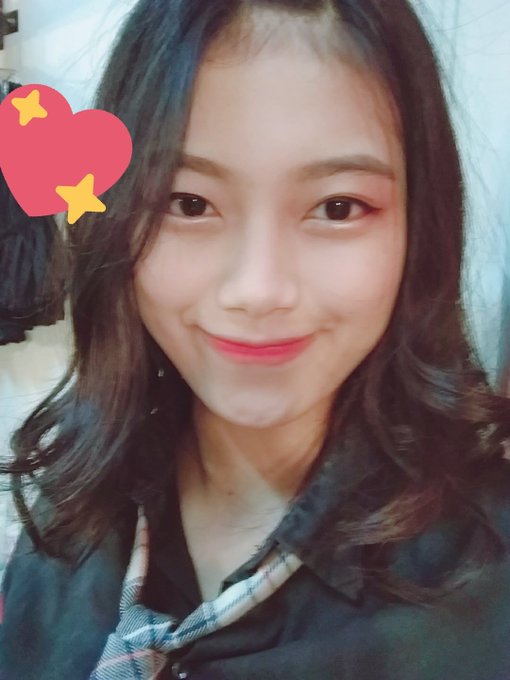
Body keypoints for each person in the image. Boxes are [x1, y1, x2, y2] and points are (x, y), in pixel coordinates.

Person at [1, 1, 510, 678]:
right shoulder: (71, 502)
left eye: (337, 207)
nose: (258, 288)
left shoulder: (485, 591)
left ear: (420, 230)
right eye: (188, 203)